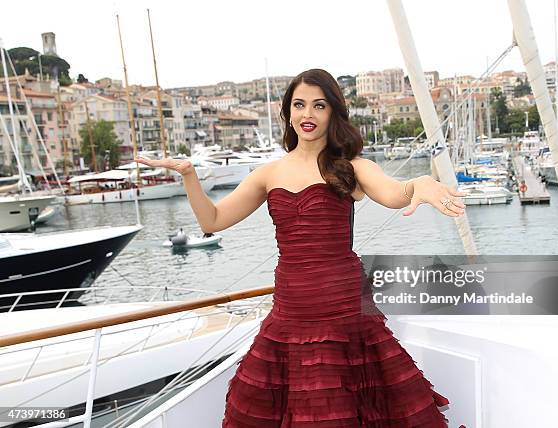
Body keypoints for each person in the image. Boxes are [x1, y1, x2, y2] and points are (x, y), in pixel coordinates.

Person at [135, 69, 466, 427]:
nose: (308, 114)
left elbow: (392, 193)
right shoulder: (268, 173)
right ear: (288, 113)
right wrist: (189, 176)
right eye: (300, 105)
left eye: (319, 105)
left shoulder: (353, 167)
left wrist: (418, 183)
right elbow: (212, 221)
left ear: (332, 113)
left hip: (344, 314)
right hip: (290, 314)